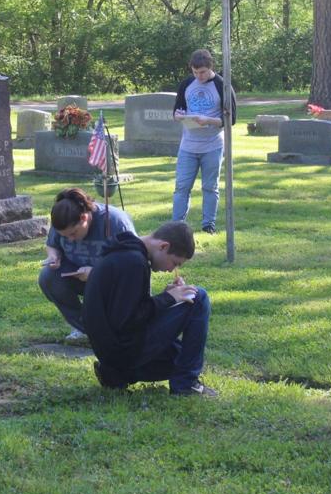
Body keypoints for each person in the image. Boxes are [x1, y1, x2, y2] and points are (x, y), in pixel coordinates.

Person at [82, 220, 215, 397]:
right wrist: (168, 298)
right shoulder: (133, 262)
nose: (171, 270)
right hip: (121, 350)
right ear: (163, 246)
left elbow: (126, 309)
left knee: (180, 357)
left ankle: (116, 375)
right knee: (199, 297)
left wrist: (167, 297)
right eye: (174, 263)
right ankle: (186, 385)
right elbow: (128, 320)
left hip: (112, 351)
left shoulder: (124, 254)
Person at [39, 187, 136, 345]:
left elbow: (134, 265)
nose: (70, 240)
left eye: (73, 233)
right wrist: (53, 256)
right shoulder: (63, 221)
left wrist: (98, 273)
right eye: (65, 236)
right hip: (79, 276)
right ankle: (87, 329)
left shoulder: (115, 221)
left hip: (116, 282)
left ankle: (119, 328)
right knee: (48, 277)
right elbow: (52, 244)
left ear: (84, 217)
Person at [172, 49, 236, 234]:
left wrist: (208, 120)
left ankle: (208, 225)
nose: (199, 76)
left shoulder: (222, 85)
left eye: (202, 72)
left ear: (210, 68)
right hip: (188, 145)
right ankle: (177, 225)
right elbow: (177, 111)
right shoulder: (186, 84)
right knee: (182, 187)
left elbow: (230, 120)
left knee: (210, 187)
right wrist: (179, 116)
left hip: (212, 146)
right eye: (195, 72)